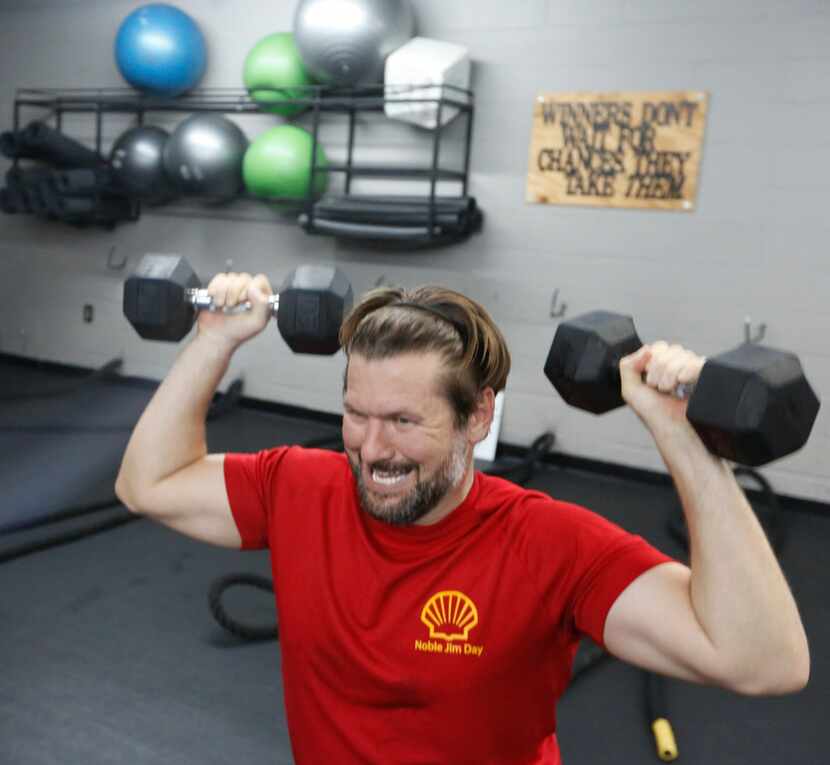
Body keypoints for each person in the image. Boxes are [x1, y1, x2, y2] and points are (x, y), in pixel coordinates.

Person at [115, 269, 810, 765]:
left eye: (403, 420)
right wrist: (214, 339)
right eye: (355, 414)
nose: (372, 448)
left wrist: (685, 439)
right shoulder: (298, 485)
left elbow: (761, 662)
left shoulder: (548, 543)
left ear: (478, 414)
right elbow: (150, 482)